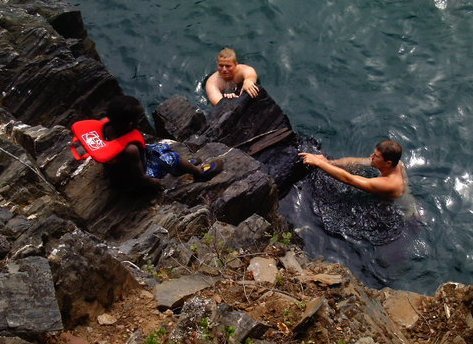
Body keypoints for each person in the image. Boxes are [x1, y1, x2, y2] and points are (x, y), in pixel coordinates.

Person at [71, 95, 223, 190]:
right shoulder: (131, 150)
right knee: (172, 157)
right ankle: (199, 173)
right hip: (131, 182)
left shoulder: (108, 128)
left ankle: (183, 166)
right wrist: (156, 184)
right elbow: (140, 177)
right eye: (139, 118)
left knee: (161, 148)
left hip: (120, 170)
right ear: (131, 123)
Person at [299, 140, 407, 199]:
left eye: (376, 156)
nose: (371, 156)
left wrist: (319, 163)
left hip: (402, 211)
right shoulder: (397, 163)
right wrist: (329, 162)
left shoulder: (388, 184)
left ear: (388, 163)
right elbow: (357, 161)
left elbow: (348, 179)